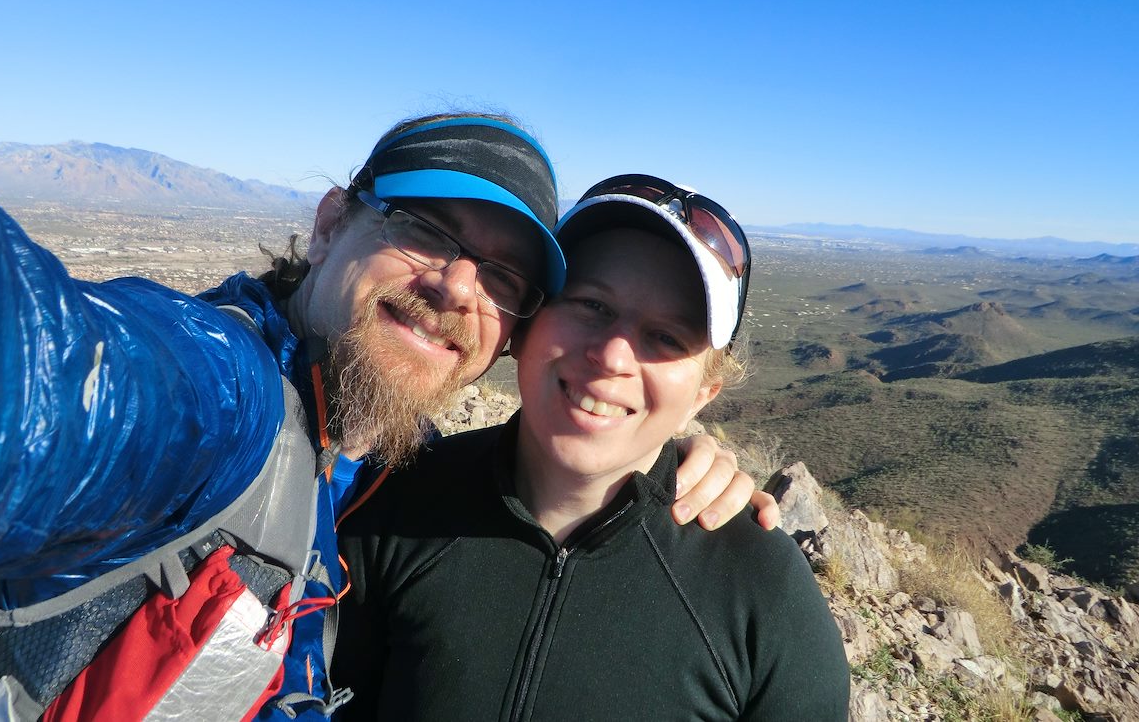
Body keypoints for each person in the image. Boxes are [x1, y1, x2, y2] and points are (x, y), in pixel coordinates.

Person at [0, 116, 775, 721]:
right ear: (332, 220)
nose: (456, 286)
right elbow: (26, 373)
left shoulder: (391, 472)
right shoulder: (228, 395)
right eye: (424, 229)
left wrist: (651, 452)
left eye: (504, 278)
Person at [335, 174, 850, 720]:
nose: (612, 356)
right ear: (526, 329)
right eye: (592, 306)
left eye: (667, 338)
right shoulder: (397, 503)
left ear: (703, 394)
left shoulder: (762, 590)